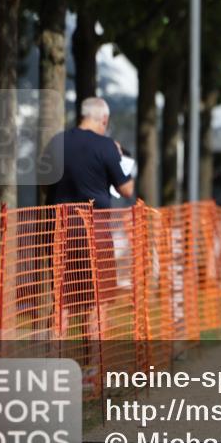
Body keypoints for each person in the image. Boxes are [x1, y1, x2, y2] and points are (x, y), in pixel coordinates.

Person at [41, 97, 134, 364]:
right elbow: (126, 189)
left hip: (58, 228)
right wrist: (121, 158)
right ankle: (92, 365)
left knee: (61, 299)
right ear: (103, 119)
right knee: (96, 300)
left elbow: (45, 187)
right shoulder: (106, 146)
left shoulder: (56, 142)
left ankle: (53, 365)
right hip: (94, 231)